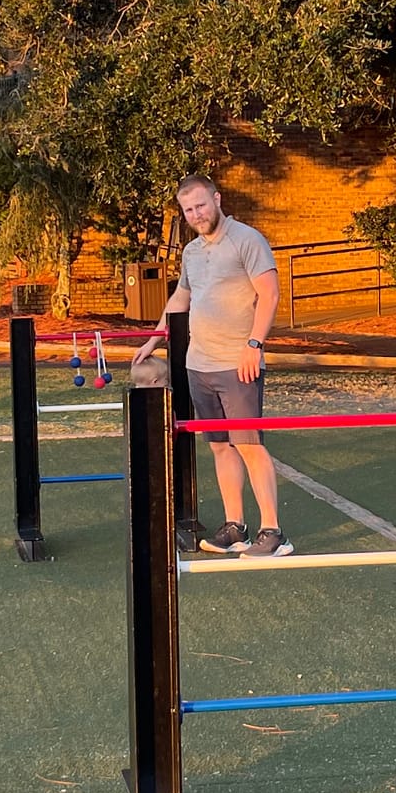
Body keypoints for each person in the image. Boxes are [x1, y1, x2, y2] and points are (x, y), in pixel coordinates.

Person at [133, 175, 290, 555]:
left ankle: (273, 533)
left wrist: (254, 345)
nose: (196, 214)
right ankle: (236, 527)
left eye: (201, 205)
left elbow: (270, 294)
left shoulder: (246, 240)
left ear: (217, 199)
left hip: (238, 365)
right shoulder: (191, 252)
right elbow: (180, 299)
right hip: (198, 365)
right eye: (188, 210)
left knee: (248, 445)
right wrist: (153, 339)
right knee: (220, 446)